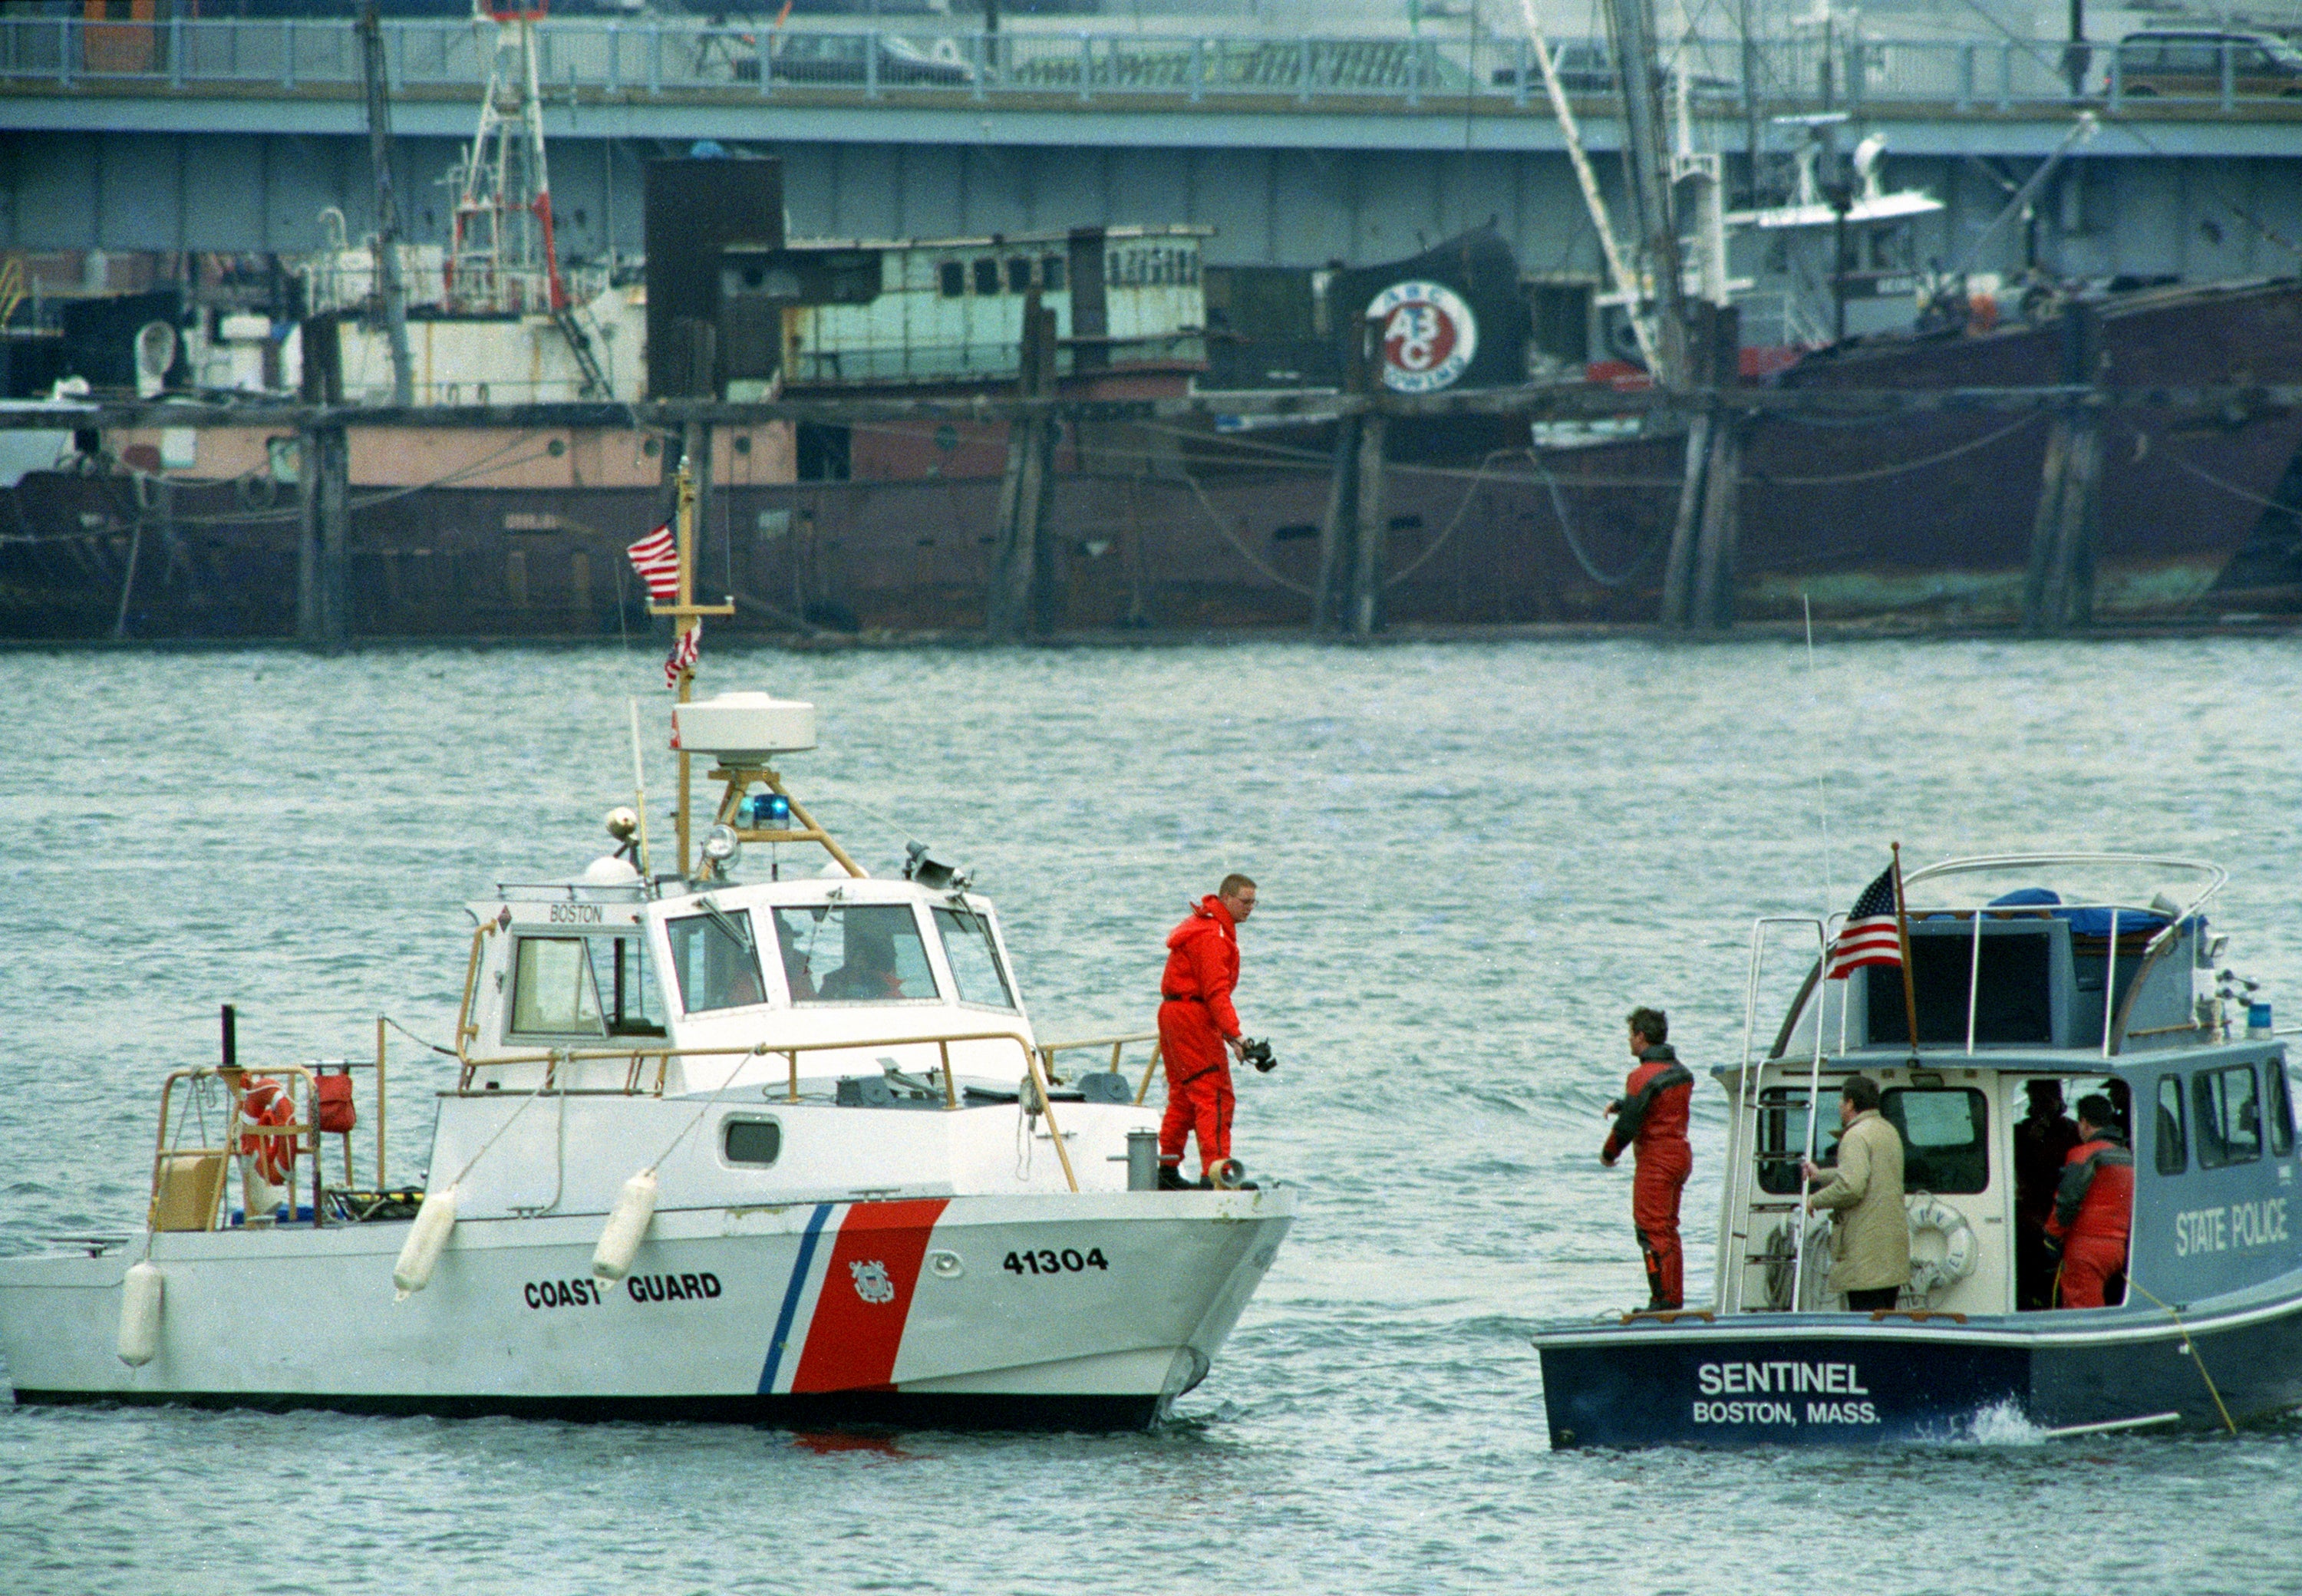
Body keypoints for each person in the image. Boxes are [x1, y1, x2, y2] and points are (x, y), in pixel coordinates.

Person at [1156, 874, 1257, 1189]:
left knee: (1184, 1095)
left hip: (1175, 1014)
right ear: (1226, 898)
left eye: (1254, 902)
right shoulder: (1214, 935)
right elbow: (1215, 993)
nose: (1250, 908)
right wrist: (1237, 1036)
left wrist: (1232, 1039)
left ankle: (1167, 1171)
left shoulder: (1204, 926)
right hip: (1192, 1016)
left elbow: (1209, 995)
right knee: (1213, 1094)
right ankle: (1215, 1177)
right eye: (1245, 901)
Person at [1600, 1007, 1694, 1311]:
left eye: (1631, 1035)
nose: (1629, 1040)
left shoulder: (1641, 1075)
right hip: (1680, 1155)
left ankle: (1661, 1301)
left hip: (1656, 1160)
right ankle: (1673, 1297)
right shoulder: (1679, 1072)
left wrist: (1608, 1154)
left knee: (1650, 1229)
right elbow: (1652, 1103)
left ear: (1641, 1037)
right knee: (1668, 1229)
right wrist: (1623, 1104)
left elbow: (1629, 1125)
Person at [1801, 1075, 1909, 1311]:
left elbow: (1851, 1187)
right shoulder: (1888, 1131)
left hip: (1865, 1259)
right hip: (1890, 1255)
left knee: (1865, 1323)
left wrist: (1814, 1200)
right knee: (1885, 1321)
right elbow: (1869, 1175)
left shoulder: (1855, 1135)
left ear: (1850, 1104)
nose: (1839, 1105)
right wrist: (1820, 1175)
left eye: (1842, 1100)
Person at [2046, 1093, 2134, 1308]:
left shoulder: (2083, 1154)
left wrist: (2051, 1236)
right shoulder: (2126, 1156)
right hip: (2116, 1249)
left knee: (2082, 1312)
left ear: (2084, 1122)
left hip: (2085, 1251)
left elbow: (2067, 1201)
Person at [2013, 1080, 2083, 1310]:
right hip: (2033, 1206)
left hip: (2065, 1205)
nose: (2041, 1106)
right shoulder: (2021, 1133)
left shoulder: (2073, 1132)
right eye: (2037, 1100)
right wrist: (2030, 1142)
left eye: (2047, 1100)